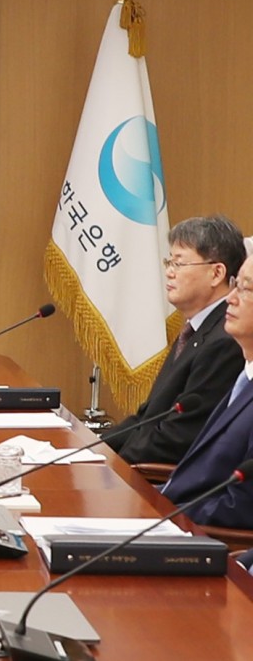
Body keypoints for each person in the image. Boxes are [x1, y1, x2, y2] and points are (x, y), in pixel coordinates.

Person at [103, 216, 246, 464]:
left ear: (216, 273)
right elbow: (146, 418)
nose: (169, 272)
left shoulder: (224, 340)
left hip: (166, 484)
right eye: (169, 262)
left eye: (179, 264)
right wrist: (91, 451)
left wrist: (113, 464)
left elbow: (178, 437)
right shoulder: (196, 331)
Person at [162, 254, 253, 528]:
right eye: (236, 284)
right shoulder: (245, 377)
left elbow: (240, 507)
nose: (230, 298)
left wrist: (161, 515)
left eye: (246, 289)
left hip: (200, 539)